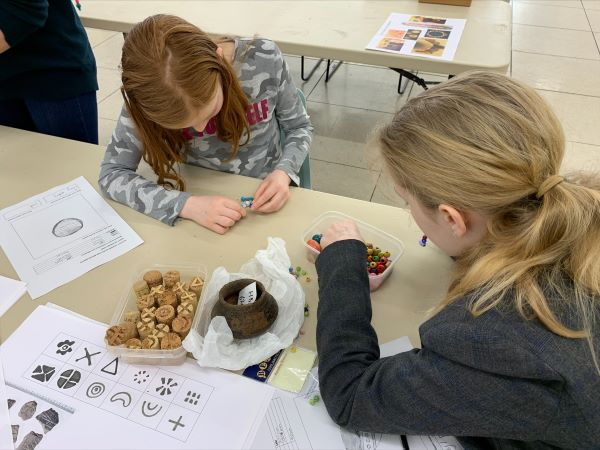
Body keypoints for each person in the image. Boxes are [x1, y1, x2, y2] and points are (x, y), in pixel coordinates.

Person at [315, 72, 600, 449]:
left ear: (452, 218)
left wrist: (342, 263)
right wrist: (466, 243)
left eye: (407, 201)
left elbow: (350, 395)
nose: (410, 212)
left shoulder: (487, 340)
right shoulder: (572, 209)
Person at [98, 14, 312, 234]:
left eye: (210, 111)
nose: (200, 129)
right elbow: (112, 173)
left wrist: (284, 172)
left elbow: (298, 127)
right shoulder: (148, 97)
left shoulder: (264, 59)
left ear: (219, 63)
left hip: (263, 195)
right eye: (182, 124)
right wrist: (186, 205)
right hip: (199, 204)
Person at [0, 0, 98, 144]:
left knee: (71, 162)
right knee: (19, 164)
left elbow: (28, 10)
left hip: (52, 71)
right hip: (5, 77)